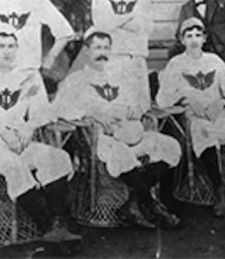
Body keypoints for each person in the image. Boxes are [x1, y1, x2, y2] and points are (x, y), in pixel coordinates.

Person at [0, 29, 79, 242]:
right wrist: (0, 131)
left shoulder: (29, 75)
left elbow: (44, 112)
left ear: (17, 49)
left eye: (11, 46)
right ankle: (47, 225)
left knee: (57, 157)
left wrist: (30, 126)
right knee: (13, 166)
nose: (6, 52)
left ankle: (58, 222)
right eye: (1, 46)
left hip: (23, 140)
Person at [55, 31, 181, 228]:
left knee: (167, 145)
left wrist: (135, 109)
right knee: (120, 153)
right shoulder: (76, 80)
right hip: (99, 138)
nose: (103, 52)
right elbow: (60, 109)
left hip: (130, 133)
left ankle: (132, 204)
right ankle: (149, 204)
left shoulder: (121, 79)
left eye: (106, 48)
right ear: (87, 51)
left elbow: (139, 104)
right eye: (98, 48)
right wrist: (92, 113)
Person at [156, 18, 225, 215]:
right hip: (195, 121)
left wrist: (222, 101)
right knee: (204, 132)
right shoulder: (176, 63)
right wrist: (185, 99)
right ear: (182, 40)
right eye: (188, 36)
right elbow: (162, 98)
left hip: (220, 117)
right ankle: (219, 191)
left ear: (205, 38)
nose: (194, 40)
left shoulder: (214, 61)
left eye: (198, 35)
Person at [89, 0, 150, 107]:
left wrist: (115, 20)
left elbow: (142, 26)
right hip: (111, 58)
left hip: (134, 56)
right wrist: (129, 17)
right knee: (112, 106)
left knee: (137, 110)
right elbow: (102, 25)